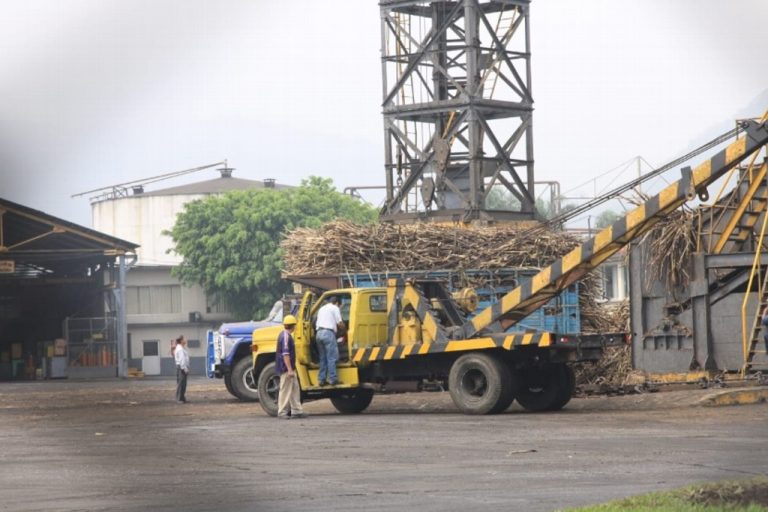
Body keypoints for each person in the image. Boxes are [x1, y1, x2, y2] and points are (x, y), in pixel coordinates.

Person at [275, 315, 307, 419]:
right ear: (293, 326)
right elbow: (286, 354)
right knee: (285, 389)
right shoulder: (285, 337)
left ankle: (297, 411)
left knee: (294, 389)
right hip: (286, 369)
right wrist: (289, 370)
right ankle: (282, 412)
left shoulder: (285, 335)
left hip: (290, 368)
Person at [315, 295, 344, 386]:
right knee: (331, 357)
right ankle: (333, 379)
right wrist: (345, 330)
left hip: (319, 334)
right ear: (337, 303)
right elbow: (340, 323)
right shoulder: (335, 308)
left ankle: (321, 380)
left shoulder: (322, 308)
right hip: (328, 333)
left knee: (323, 358)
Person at [174, 335, 190, 403]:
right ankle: (179, 399)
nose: (185, 340)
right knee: (181, 383)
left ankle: (182, 398)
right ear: (181, 341)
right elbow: (182, 359)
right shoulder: (180, 349)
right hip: (181, 367)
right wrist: (184, 368)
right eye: (184, 339)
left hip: (182, 367)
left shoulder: (181, 348)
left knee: (183, 384)